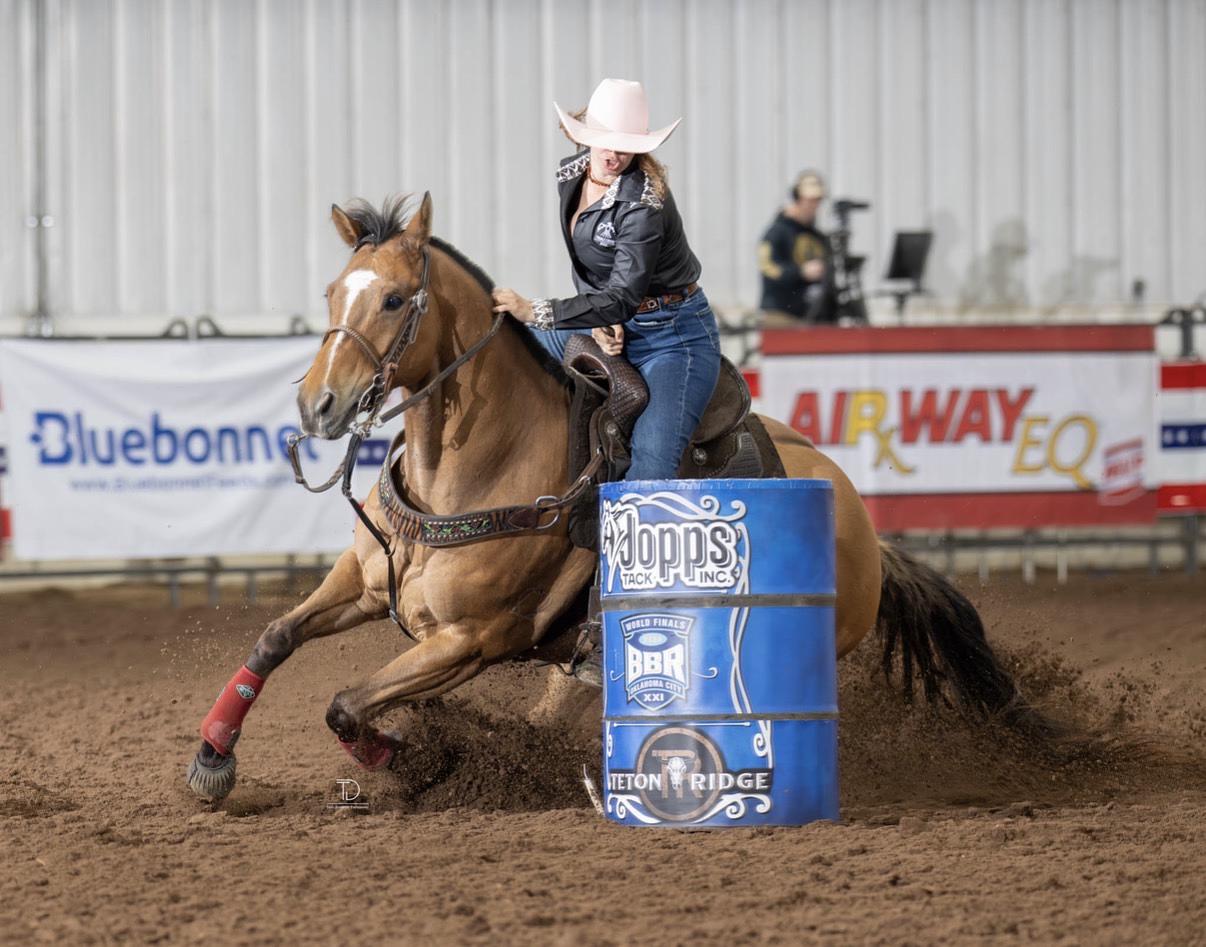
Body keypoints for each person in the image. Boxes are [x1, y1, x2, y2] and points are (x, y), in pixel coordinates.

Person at [492, 78, 720, 481]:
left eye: (625, 146)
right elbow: (595, 272)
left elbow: (622, 295)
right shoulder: (572, 174)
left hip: (672, 339)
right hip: (617, 317)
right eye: (606, 142)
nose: (614, 155)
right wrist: (601, 319)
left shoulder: (645, 203)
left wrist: (536, 310)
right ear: (588, 137)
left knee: (650, 467)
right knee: (505, 348)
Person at [758, 169, 833, 326]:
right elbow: (768, 267)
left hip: (811, 315)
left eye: (818, 200)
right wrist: (801, 272)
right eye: (810, 200)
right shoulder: (778, 232)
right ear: (797, 198)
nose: (814, 206)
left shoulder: (817, 236)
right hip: (781, 315)